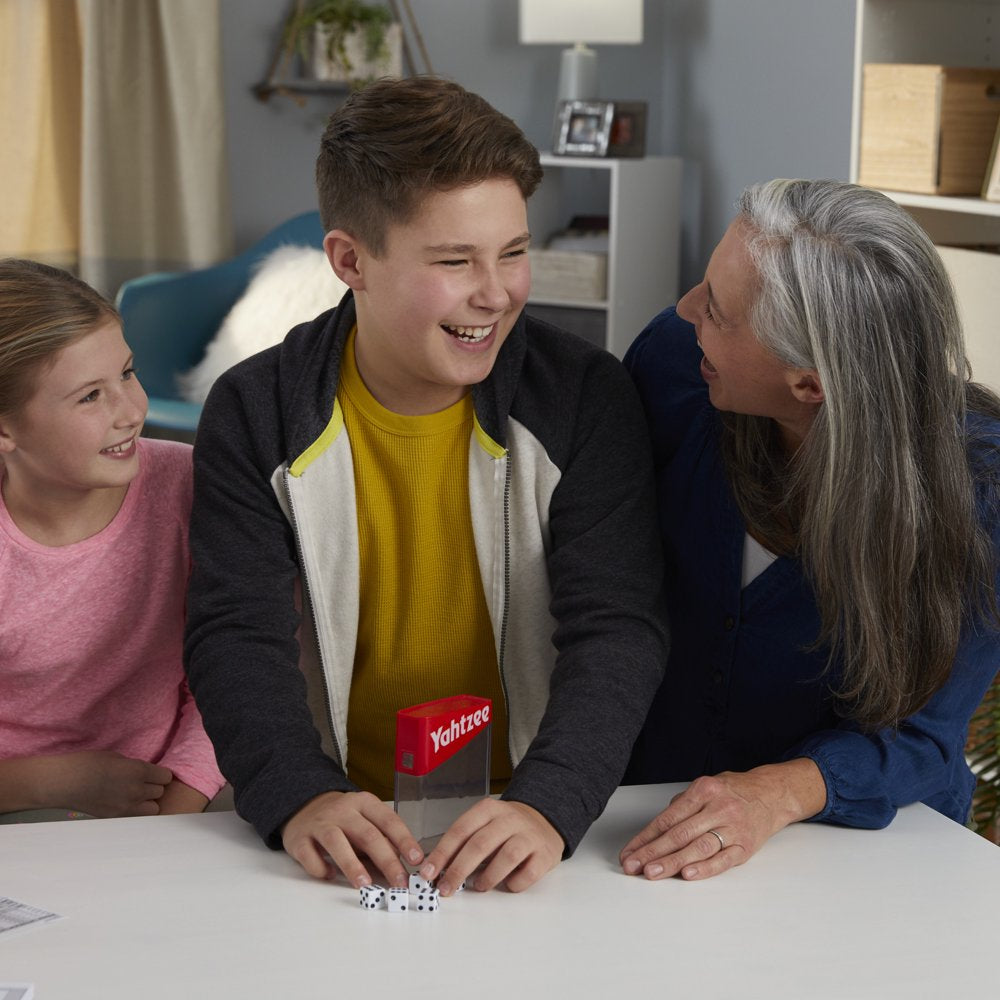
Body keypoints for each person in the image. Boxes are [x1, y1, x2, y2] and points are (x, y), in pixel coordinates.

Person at [184, 76, 667, 896]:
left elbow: (618, 628)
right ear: (350, 261)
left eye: (513, 252)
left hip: (534, 815)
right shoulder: (255, 410)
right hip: (342, 822)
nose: (497, 292)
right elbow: (236, 634)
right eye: (455, 261)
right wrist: (302, 793)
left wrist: (549, 804)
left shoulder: (585, 396)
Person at [619, 178, 1000, 882]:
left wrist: (778, 792)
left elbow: (924, 734)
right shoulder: (676, 367)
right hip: (647, 825)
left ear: (809, 385)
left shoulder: (983, 494)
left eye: (719, 313)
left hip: (873, 858)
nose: (684, 310)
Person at [0, 258, 225, 821]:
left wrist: (179, 805)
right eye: (89, 397)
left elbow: (235, 669)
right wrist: (52, 782)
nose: (132, 411)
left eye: (126, 373)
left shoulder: (195, 486)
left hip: (173, 796)